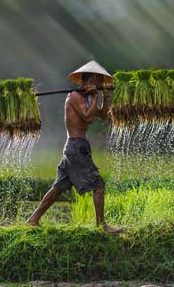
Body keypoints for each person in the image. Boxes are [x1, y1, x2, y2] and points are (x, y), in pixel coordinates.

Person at [26, 61, 122, 233]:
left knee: (58, 188)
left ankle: (32, 220)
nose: (101, 85)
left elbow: (101, 116)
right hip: (77, 147)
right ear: (92, 79)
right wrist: (96, 97)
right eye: (99, 81)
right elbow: (87, 117)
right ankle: (102, 226)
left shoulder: (87, 97)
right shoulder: (75, 96)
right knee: (98, 185)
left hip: (74, 147)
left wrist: (104, 98)